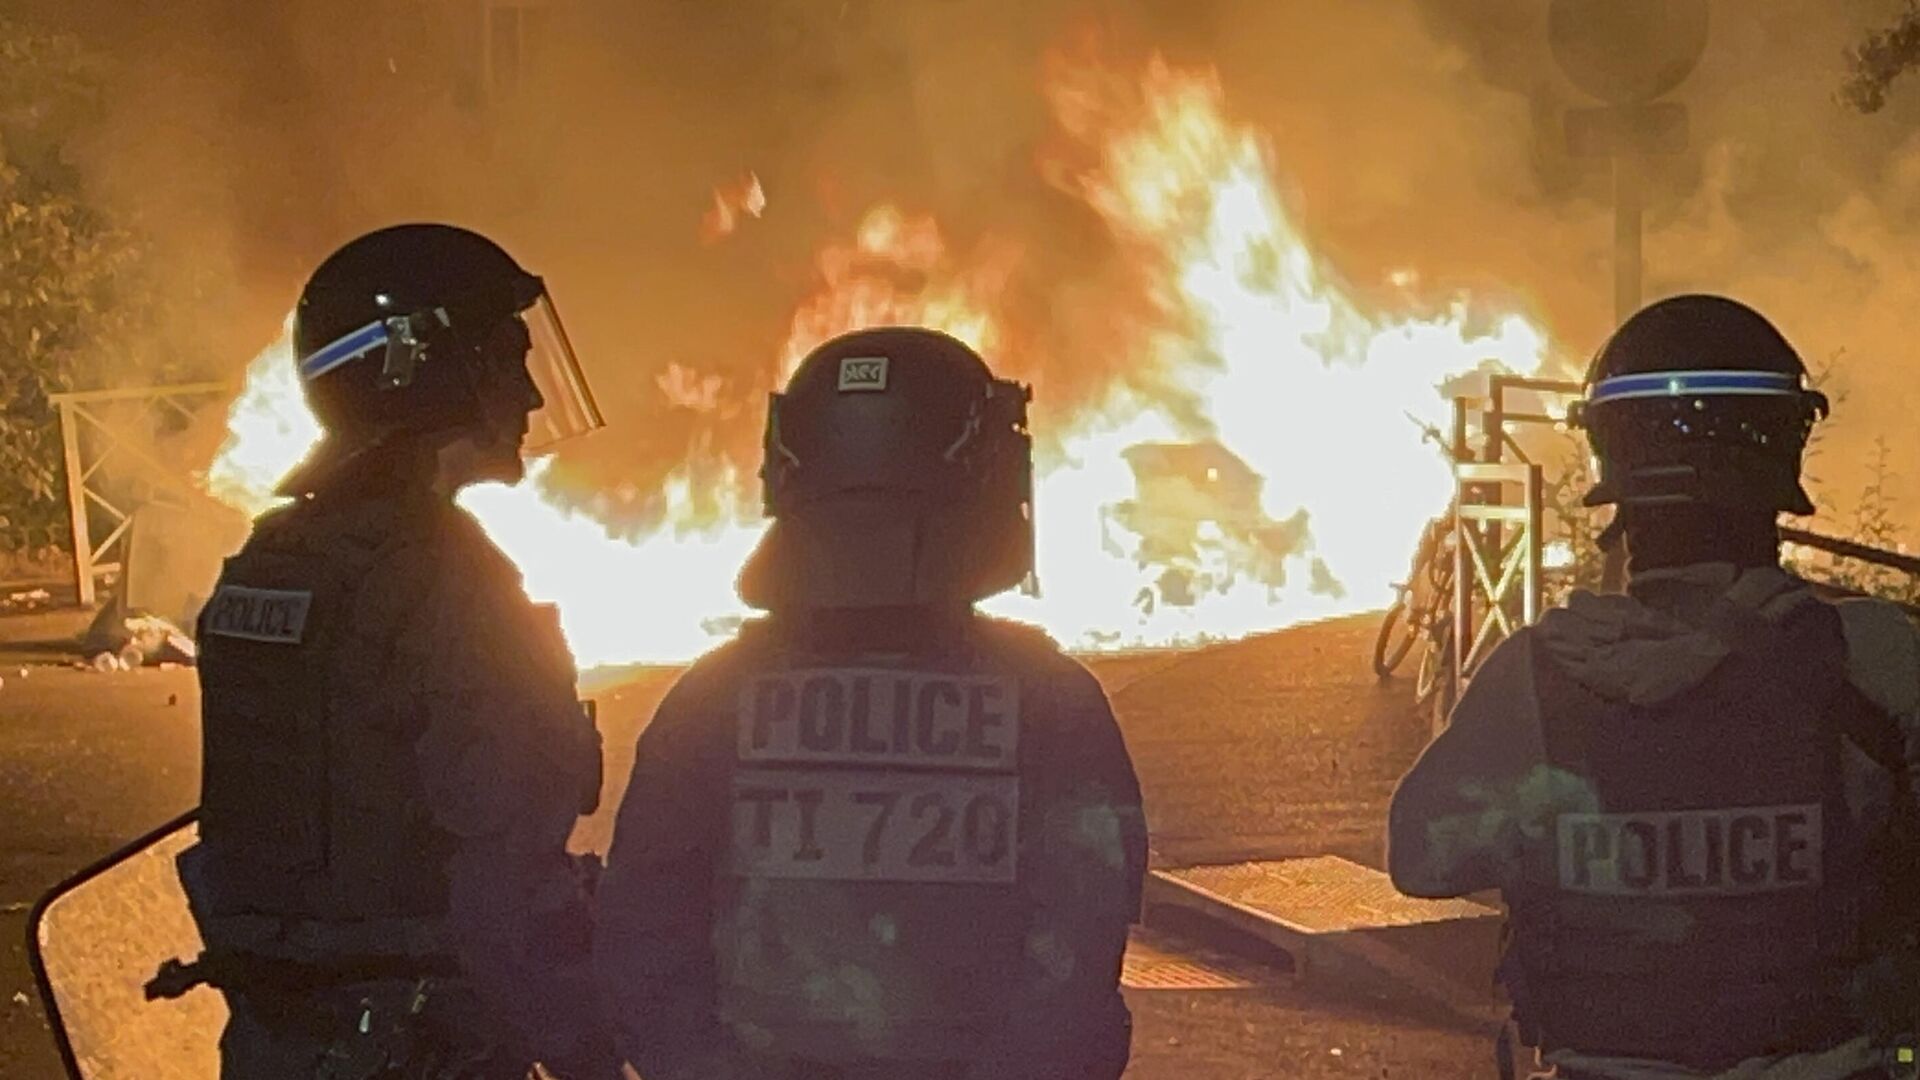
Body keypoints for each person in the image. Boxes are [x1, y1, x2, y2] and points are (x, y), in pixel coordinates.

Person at [1387, 293, 1920, 1080]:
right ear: (1784, 456)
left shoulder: (1536, 679)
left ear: (1614, 477)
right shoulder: (1873, 660)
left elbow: (1423, 860)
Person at [594, 327, 1148, 1080]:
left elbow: (645, 936)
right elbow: (1081, 948)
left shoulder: (712, 700)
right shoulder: (1053, 704)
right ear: (988, 476)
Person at [179, 223, 615, 1078]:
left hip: (279, 1040)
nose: (529, 396)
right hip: (430, 1042)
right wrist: (594, 1051)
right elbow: (506, 883)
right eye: (508, 359)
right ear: (422, 364)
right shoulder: (446, 580)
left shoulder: (270, 563)